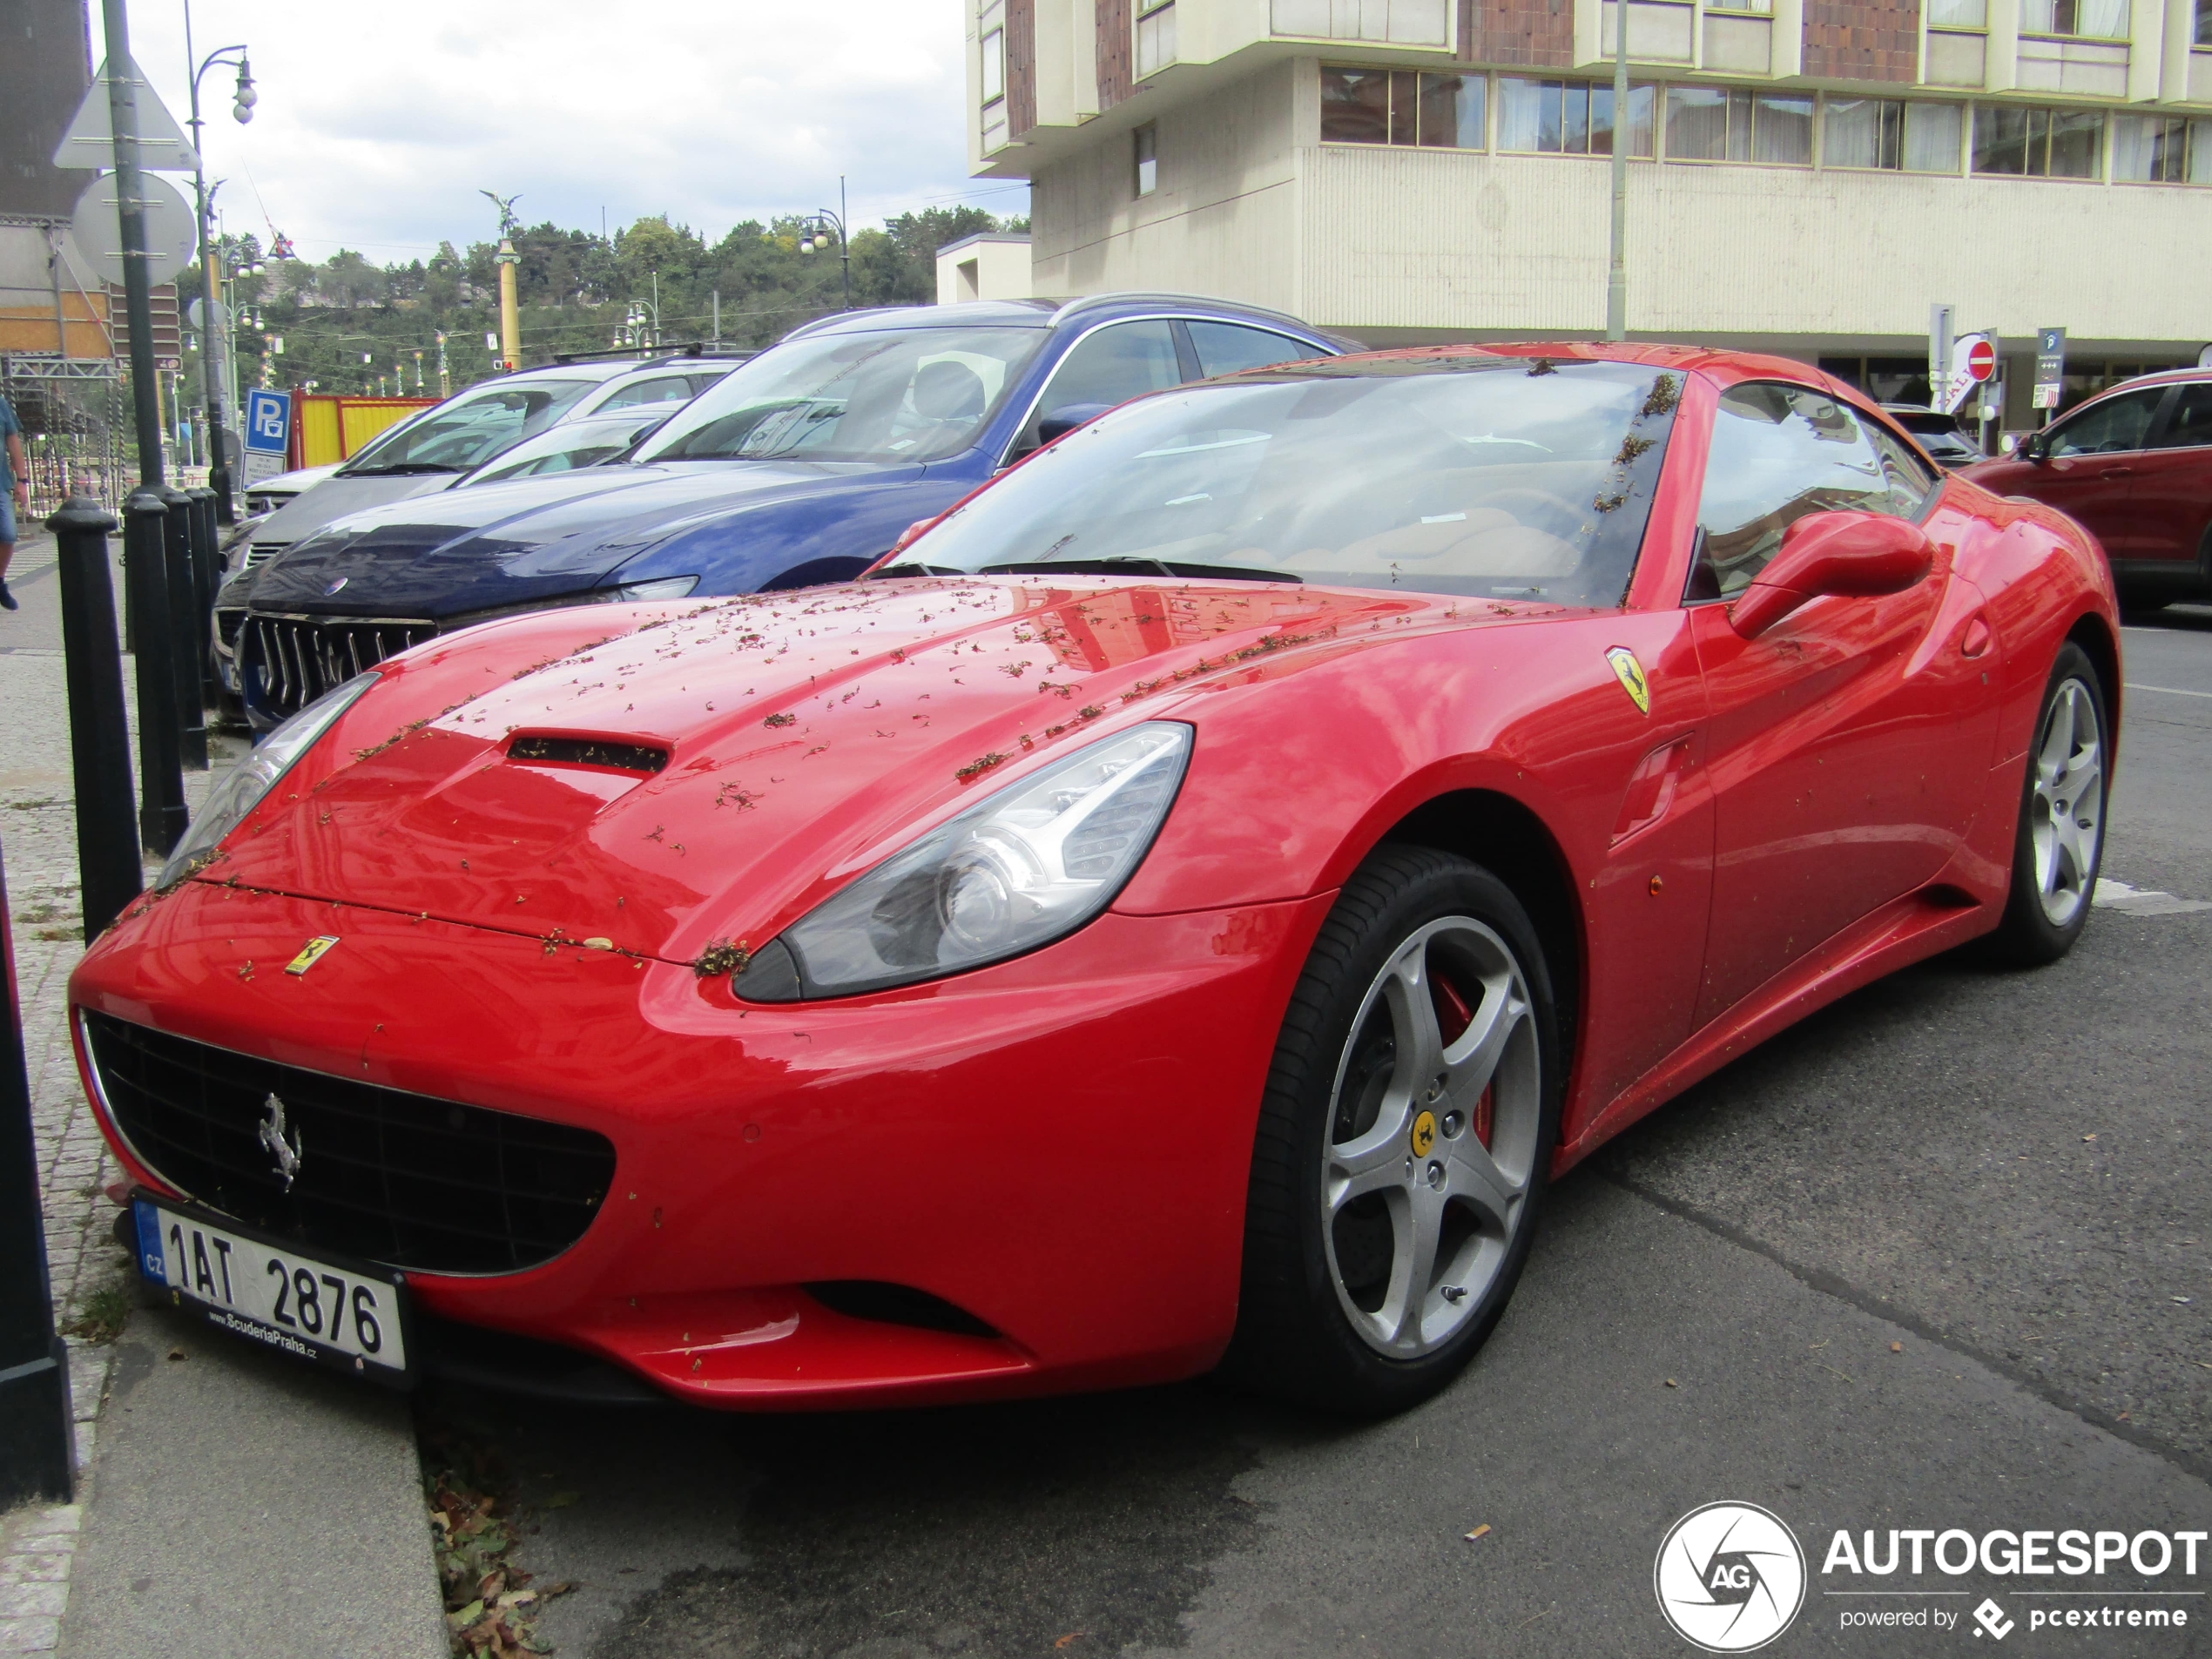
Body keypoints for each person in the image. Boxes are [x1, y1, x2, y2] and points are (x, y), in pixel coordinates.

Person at [0, 392, 25, 610]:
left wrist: (22, 480)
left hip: (0, 482)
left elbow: (13, 441)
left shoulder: (1, 403)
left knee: (8, 533)